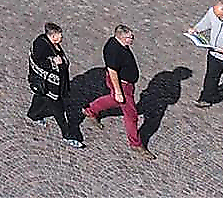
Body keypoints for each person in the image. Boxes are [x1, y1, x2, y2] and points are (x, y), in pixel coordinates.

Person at [83, 24, 147, 155]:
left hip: (125, 84)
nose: (132, 39)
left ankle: (90, 110)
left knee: (114, 100)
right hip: (122, 85)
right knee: (131, 114)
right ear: (121, 37)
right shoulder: (114, 50)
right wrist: (119, 91)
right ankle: (136, 143)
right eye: (129, 37)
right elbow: (112, 72)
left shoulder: (119, 44)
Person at [26, 23, 82, 147]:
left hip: (51, 86)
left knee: (40, 98)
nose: (62, 37)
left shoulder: (52, 44)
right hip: (50, 86)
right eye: (59, 34)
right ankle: (68, 136)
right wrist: (52, 62)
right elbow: (37, 61)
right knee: (59, 111)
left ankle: (33, 114)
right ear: (53, 36)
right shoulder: (40, 45)